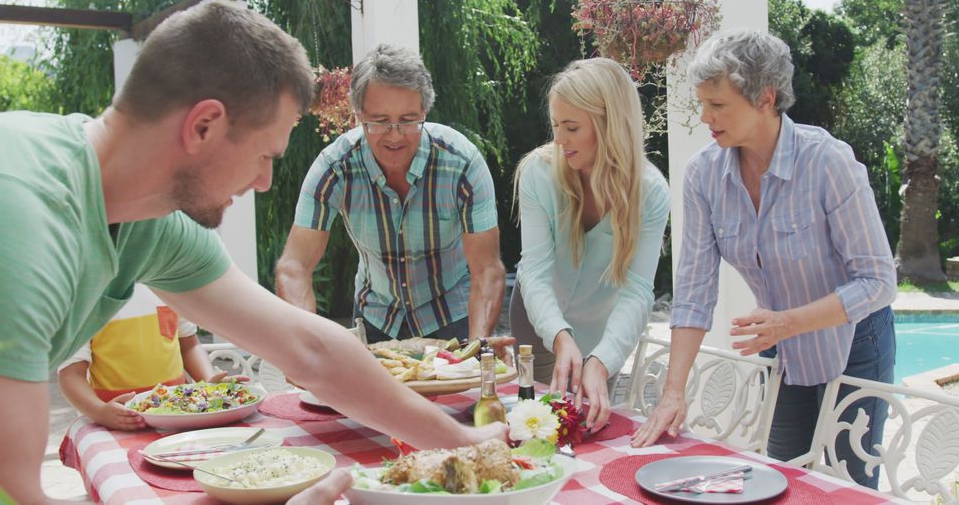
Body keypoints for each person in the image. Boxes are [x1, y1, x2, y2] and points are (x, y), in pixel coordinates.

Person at [0, 0, 504, 505]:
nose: (263, 182)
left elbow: (309, 349)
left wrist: (462, 441)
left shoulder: (151, 222)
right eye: (264, 155)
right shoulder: (18, 216)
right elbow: (12, 491)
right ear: (204, 126)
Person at [630, 29, 896, 489]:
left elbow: (877, 282)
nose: (705, 117)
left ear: (766, 99)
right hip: (784, 350)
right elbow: (693, 292)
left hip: (855, 344)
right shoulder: (702, 177)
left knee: (846, 491)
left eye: (718, 105)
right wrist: (673, 392)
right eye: (702, 102)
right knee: (783, 483)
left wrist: (786, 323)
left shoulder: (828, 163)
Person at [277, 44, 506, 343]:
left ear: (424, 111)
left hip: (455, 316)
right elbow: (294, 266)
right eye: (381, 121)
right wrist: (304, 345)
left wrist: (478, 346)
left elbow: (487, 269)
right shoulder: (334, 167)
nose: (395, 135)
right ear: (359, 115)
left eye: (409, 120)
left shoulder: (462, 163)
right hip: (376, 318)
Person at [510, 58, 671, 433]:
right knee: (530, 430)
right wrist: (559, 336)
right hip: (536, 324)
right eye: (555, 127)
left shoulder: (651, 193)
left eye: (572, 128)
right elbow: (533, 270)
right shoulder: (537, 174)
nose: (560, 141)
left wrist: (603, 359)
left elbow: (636, 291)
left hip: (602, 336)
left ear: (610, 126)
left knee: (586, 431)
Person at [57, 286, 244, 431]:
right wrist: (100, 412)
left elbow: (189, 346)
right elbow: (70, 375)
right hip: (121, 422)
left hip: (181, 415)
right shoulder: (84, 297)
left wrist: (209, 381)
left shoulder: (168, 285)